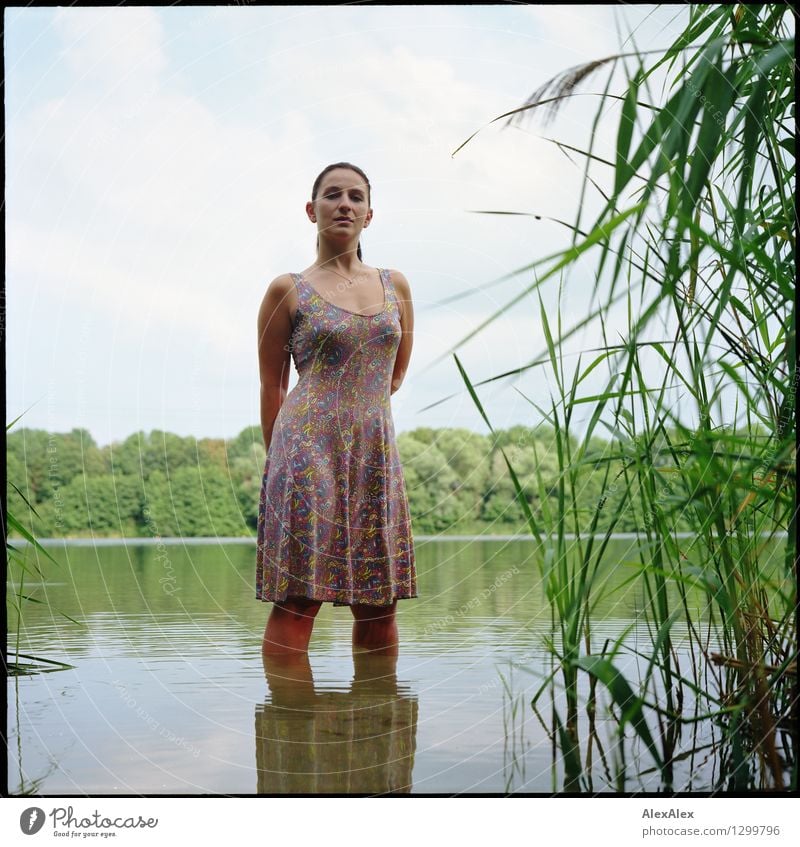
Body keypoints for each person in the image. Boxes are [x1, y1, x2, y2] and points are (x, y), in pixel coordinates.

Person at [256, 162, 417, 657]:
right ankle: (289, 727)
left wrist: (354, 418)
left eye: (355, 196)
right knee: (298, 597)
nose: (344, 203)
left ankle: (374, 722)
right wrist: (282, 464)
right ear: (312, 210)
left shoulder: (397, 286)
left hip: (373, 453)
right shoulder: (287, 289)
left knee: (379, 600)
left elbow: (393, 374)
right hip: (305, 454)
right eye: (332, 195)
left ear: (370, 214)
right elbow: (271, 386)